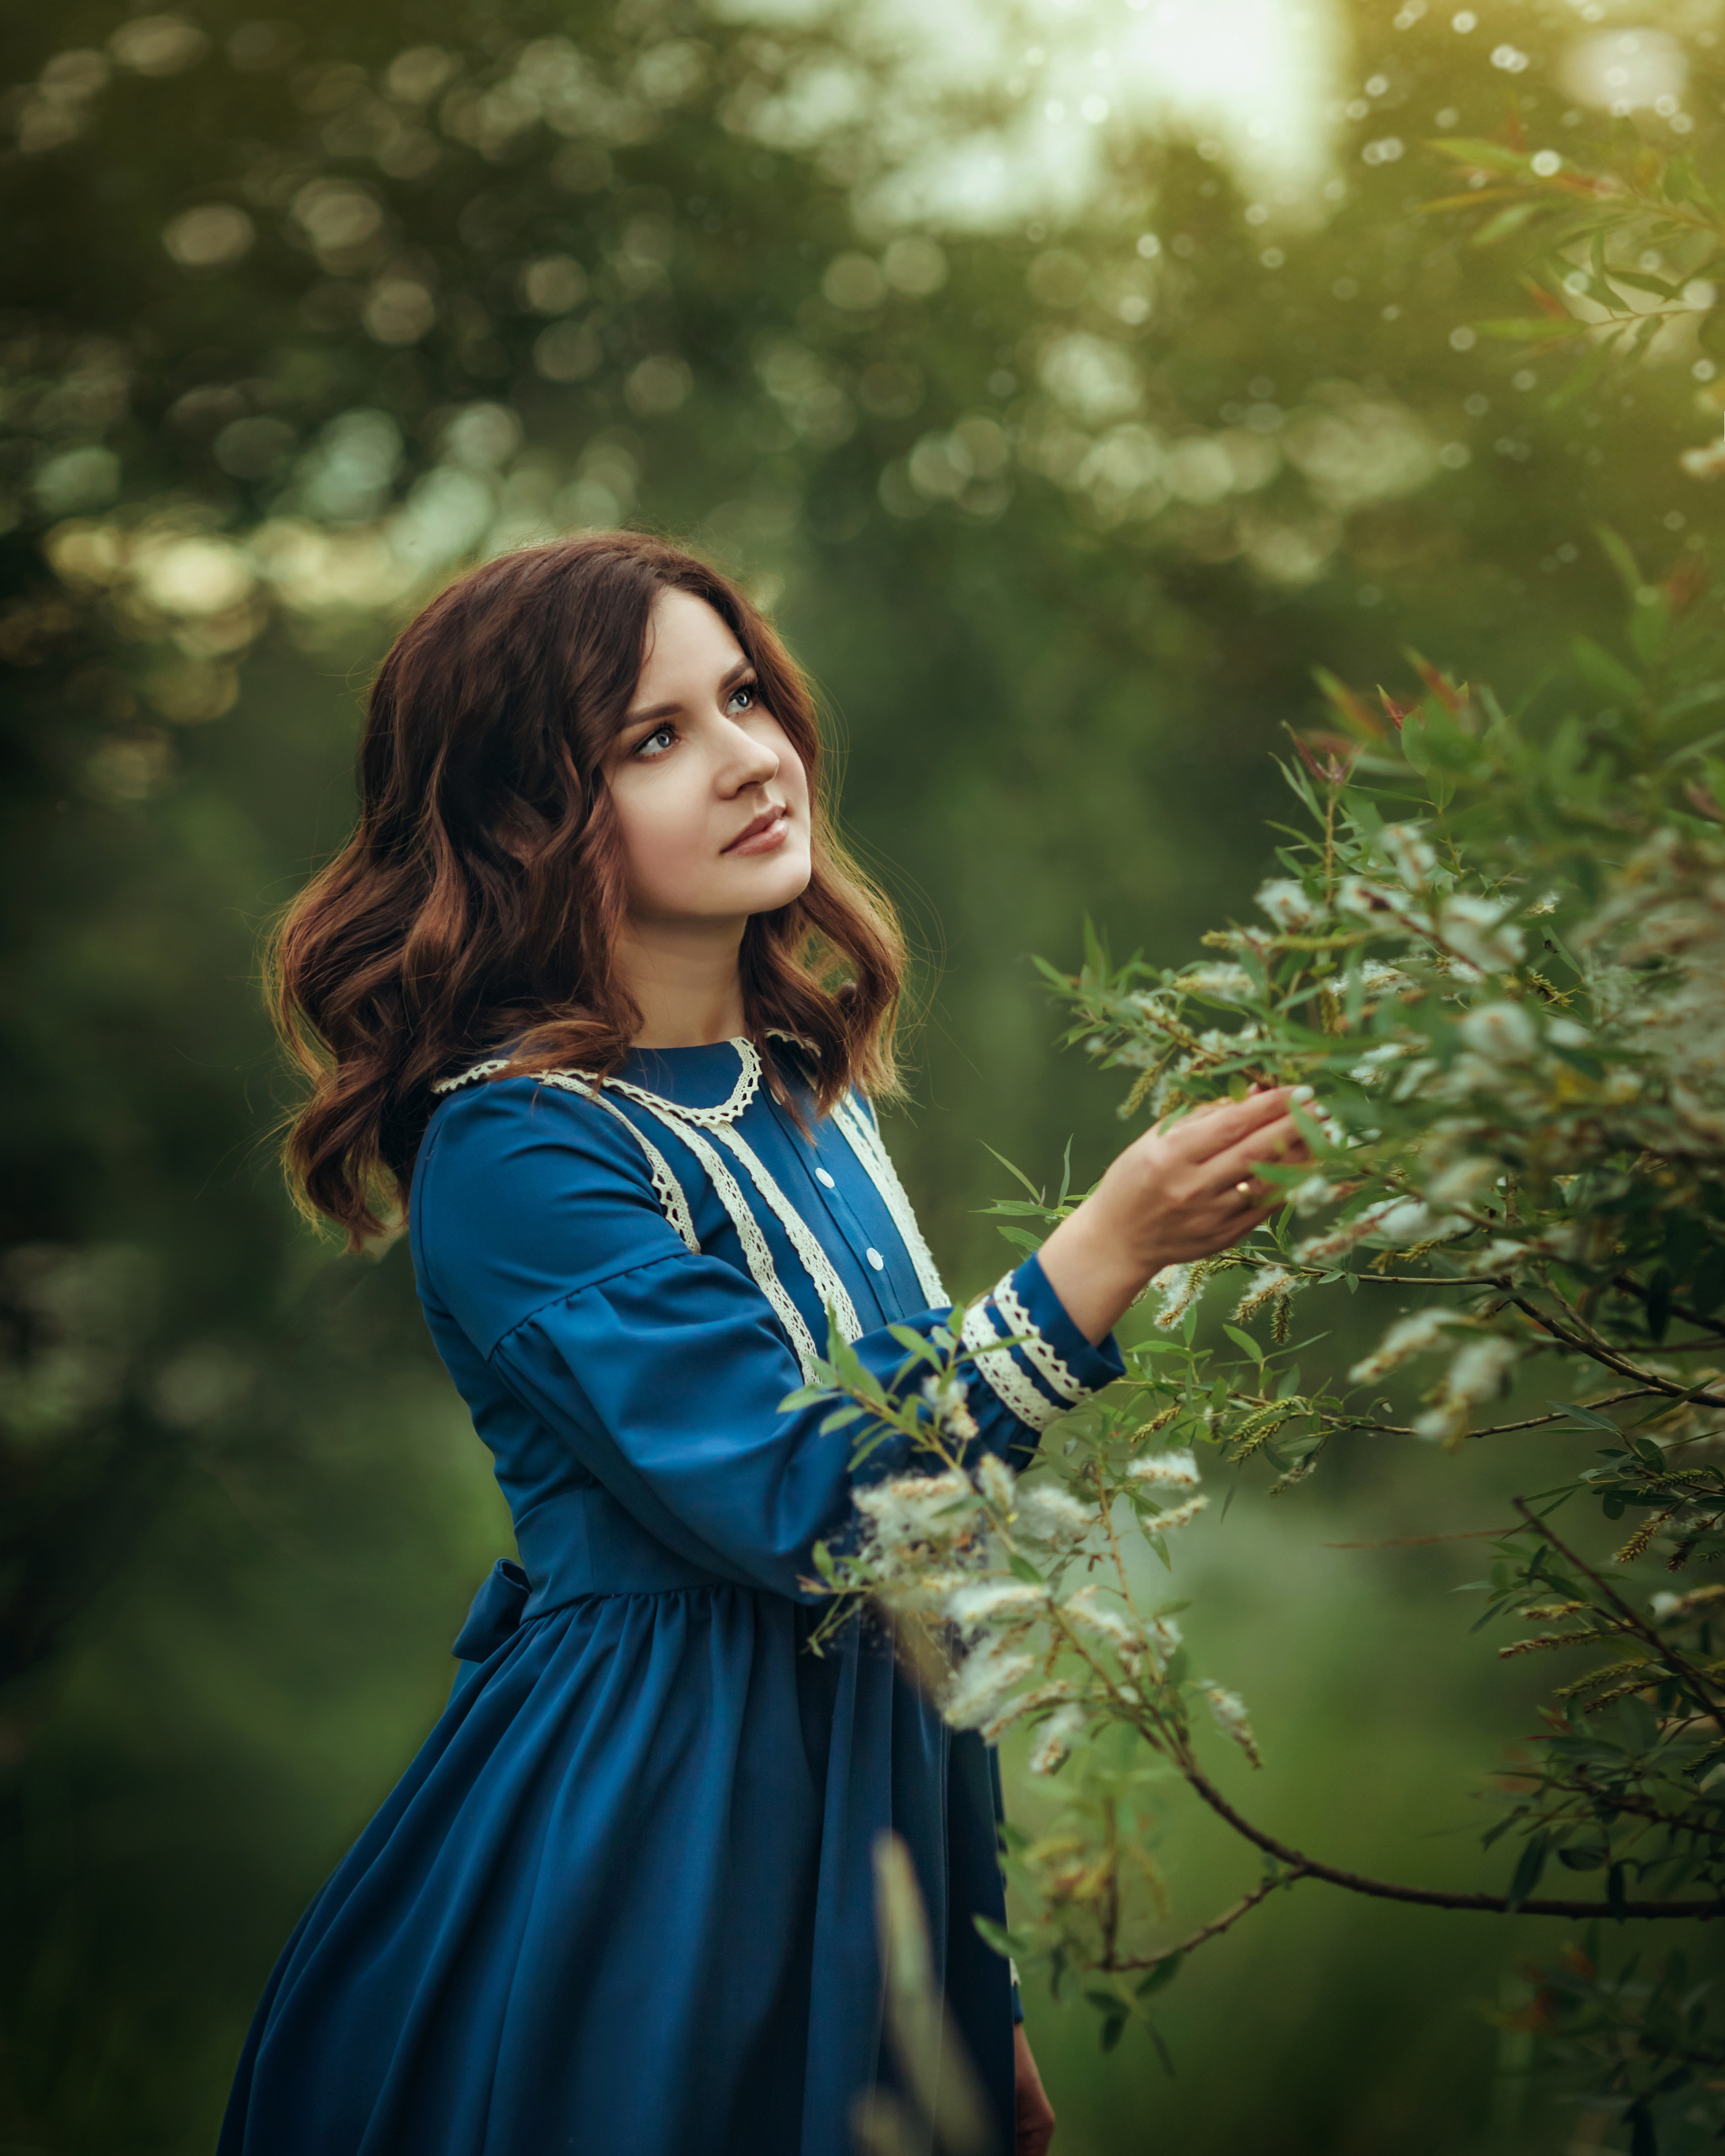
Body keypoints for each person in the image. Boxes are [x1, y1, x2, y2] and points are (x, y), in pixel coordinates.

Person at [221, 533, 1305, 2156]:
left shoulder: (806, 1087)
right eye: (650, 740)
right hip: (658, 1840)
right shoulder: (515, 1151)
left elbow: (929, 1577)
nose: (746, 759)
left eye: (741, 697)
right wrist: (1104, 1250)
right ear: (525, 817)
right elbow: (827, 1510)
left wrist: (971, 1983)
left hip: (879, 1811)